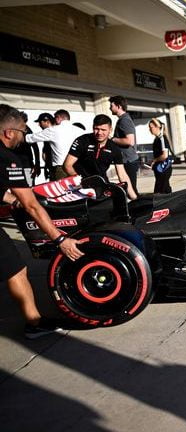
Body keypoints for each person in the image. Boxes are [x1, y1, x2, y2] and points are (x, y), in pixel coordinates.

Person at [0, 104, 84, 338]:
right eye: (22, 132)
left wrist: (9, 198)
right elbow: (31, 205)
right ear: (9, 133)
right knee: (16, 270)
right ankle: (34, 324)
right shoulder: (6, 156)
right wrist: (60, 238)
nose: (24, 137)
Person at [62, 115, 137, 200]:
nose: (99, 133)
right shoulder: (82, 141)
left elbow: (122, 175)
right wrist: (82, 181)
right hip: (79, 186)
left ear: (110, 130)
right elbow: (67, 165)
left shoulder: (114, 148)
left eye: (103, 130)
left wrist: (134, 198)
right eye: (96, 129)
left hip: (100, 185)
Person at [24, 109, 82, 180]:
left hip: (61, 168)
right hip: (78, 167)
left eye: (55, 118)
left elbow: (30, 138)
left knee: (61, 190)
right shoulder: (80, 131)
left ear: (58, 118)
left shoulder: (53, 130)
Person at [109, 96, 139, 195]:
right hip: (127, 160)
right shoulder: (123, 119)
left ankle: (139, 209)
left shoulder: (124, 120)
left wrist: (113, 139)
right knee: (130, 189)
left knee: (131, 190)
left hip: (128, 161)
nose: (110, 108)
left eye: (111, 105)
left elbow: (130, 141)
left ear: (119, 106)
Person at [148, 118, 173, 194]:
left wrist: (154, 160)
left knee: (160, 191)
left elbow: (164, 155)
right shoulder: (157, 139)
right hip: (161, 168)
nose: (150, 129)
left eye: (151, 127)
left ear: (157, 127)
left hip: (163, 168)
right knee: (165, 189)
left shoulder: (162, 138)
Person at [16, 112, 40, 186]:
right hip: (14, 164)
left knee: (29, 186)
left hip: (26, 164)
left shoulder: (28, 131)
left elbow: (35, 147)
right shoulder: (12, 130)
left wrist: (37, 164)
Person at [35, 112, 56, 180]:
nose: (39, 125)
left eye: (40, 122)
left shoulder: (53, 132)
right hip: (50, 165)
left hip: (55, 166)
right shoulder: (47, 133)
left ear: (46, 122)